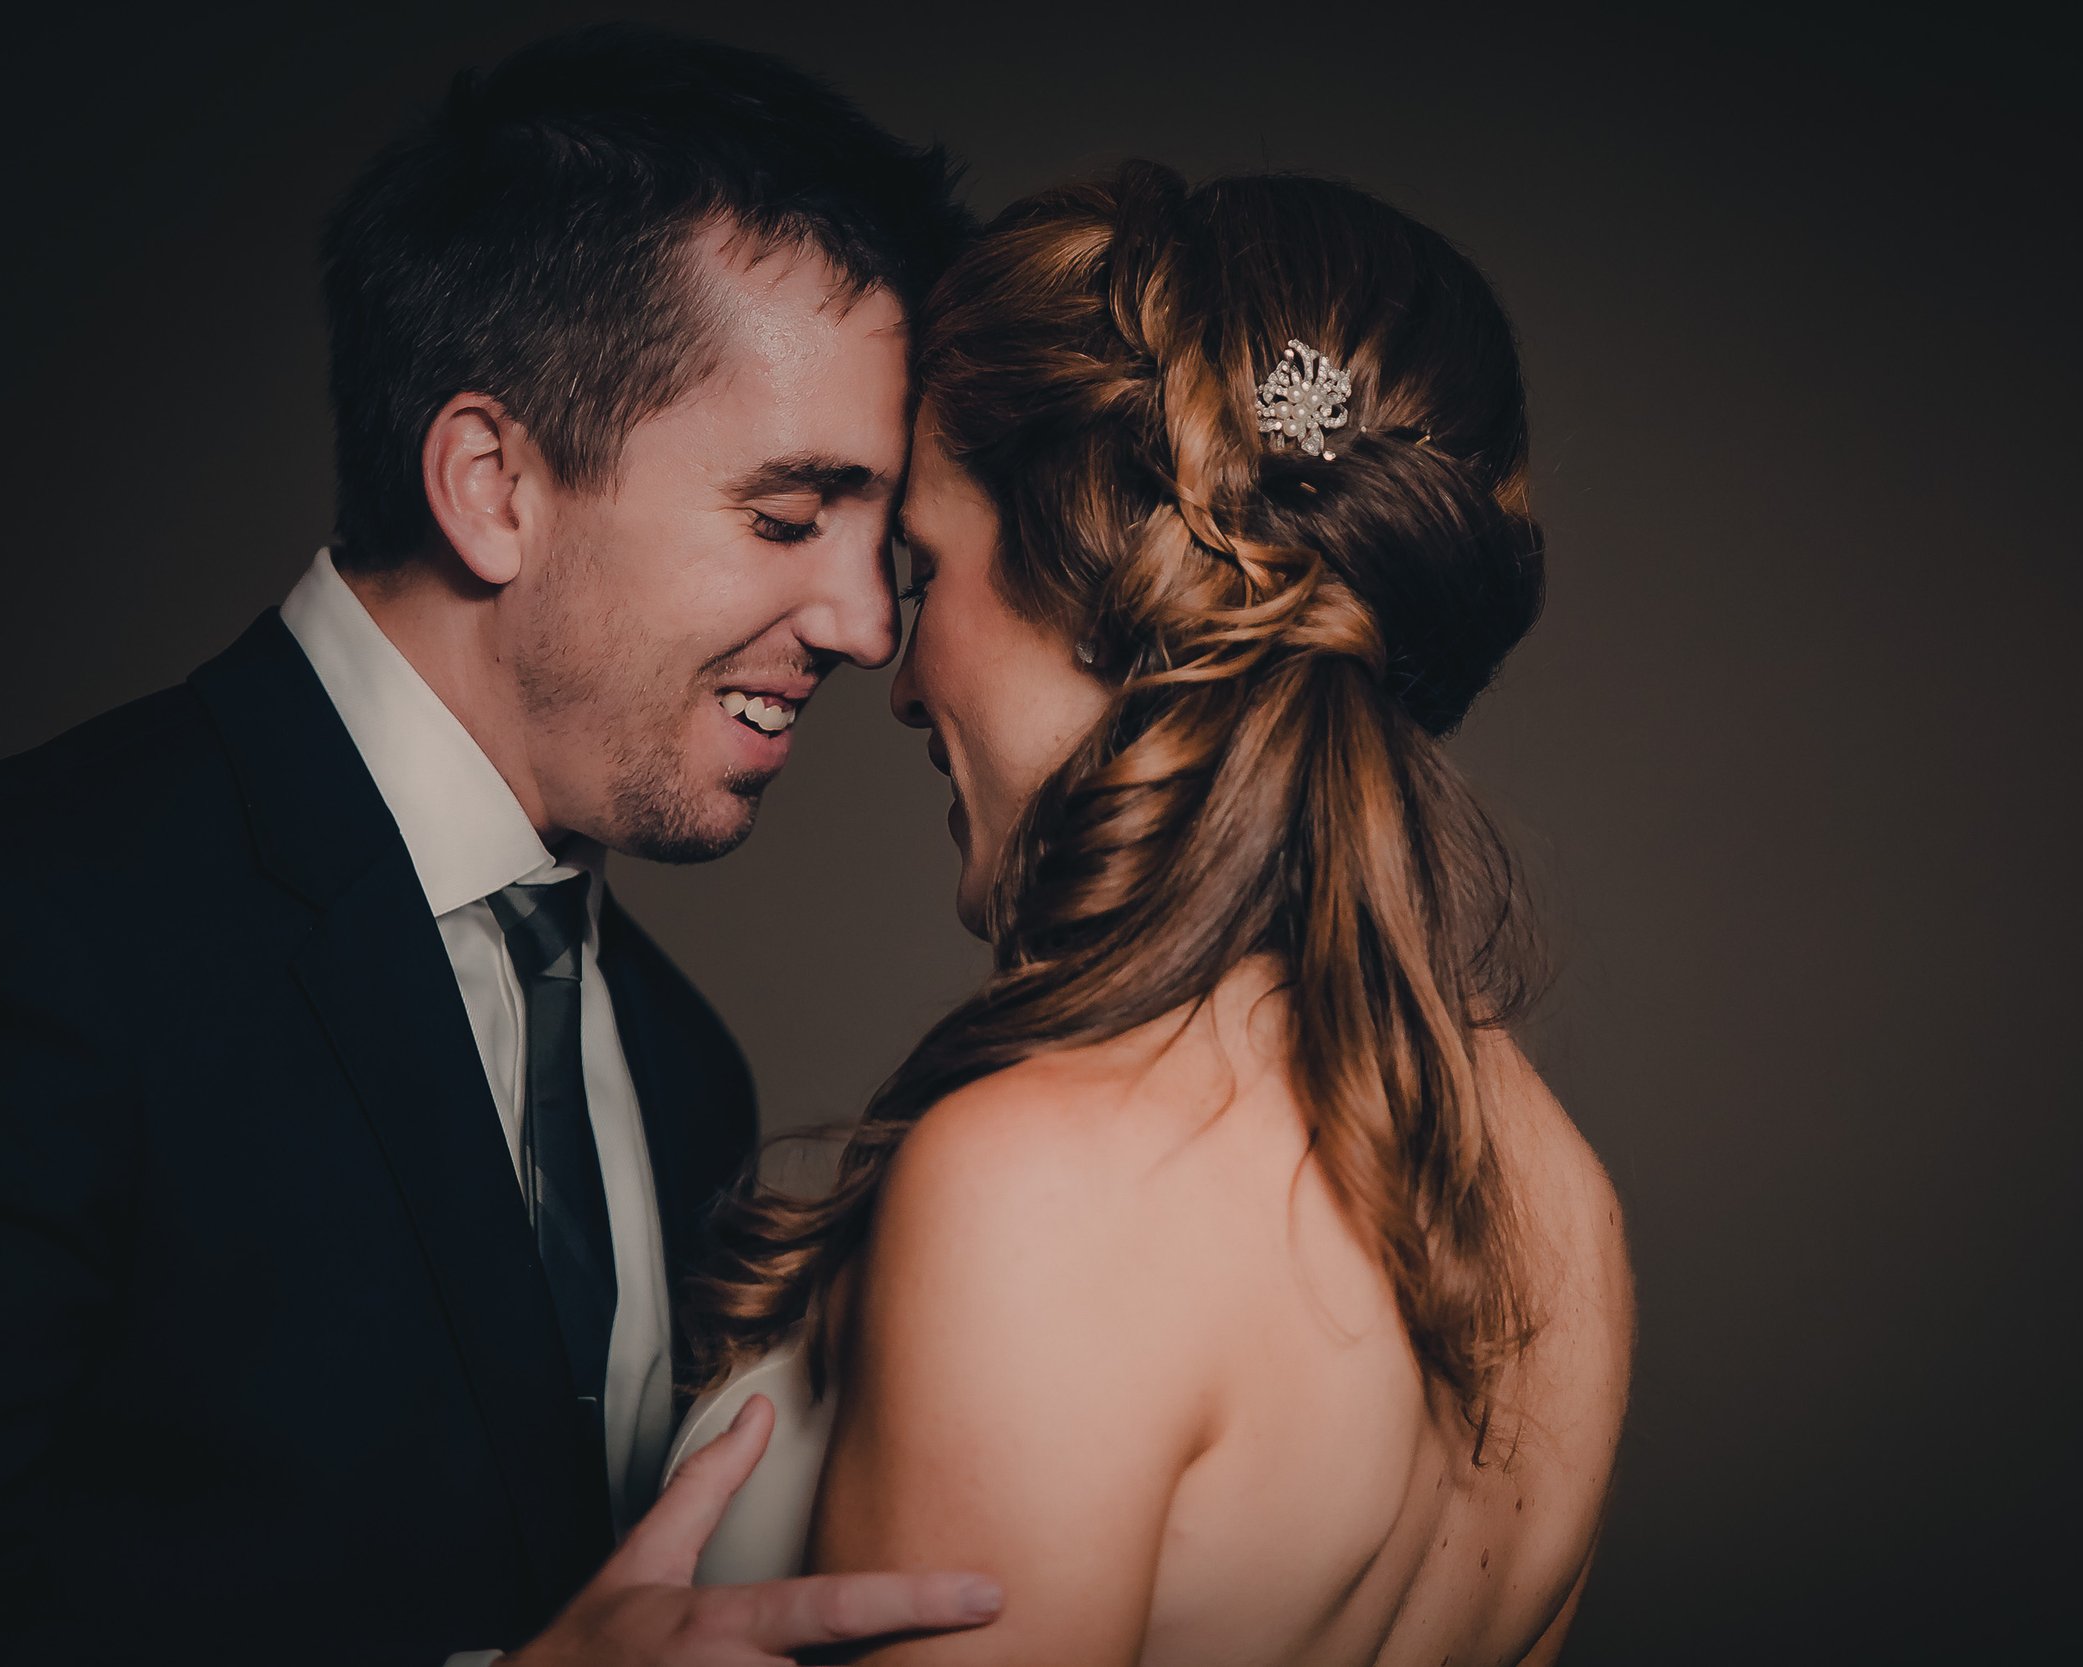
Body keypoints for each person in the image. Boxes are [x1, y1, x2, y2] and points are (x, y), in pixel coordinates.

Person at [0, 27, 1003, 1665]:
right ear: (494, 484)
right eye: (786, 515)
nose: (856, 620)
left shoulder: (682, 1069)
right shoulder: (1, 945)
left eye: (877, 539)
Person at [669, 163, 1637, 1663]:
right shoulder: (1556, 1209)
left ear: (1099, 573)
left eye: (924, 570)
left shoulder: (1040, 1188)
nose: (901, 676)